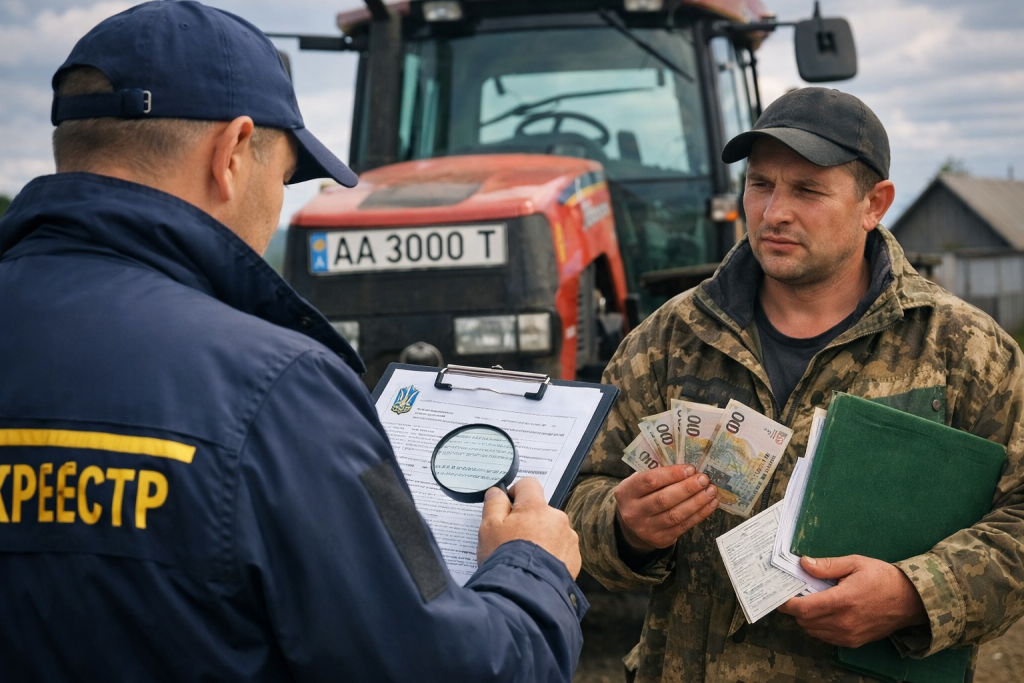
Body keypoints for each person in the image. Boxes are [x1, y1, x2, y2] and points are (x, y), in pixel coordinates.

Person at [0, 2, 587, 680]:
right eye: (281, 178)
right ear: (230, 155)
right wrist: (531, 568)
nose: (278, 206)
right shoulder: (275, 390)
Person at [566, 86, 1024, 682]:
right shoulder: (666, 340)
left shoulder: (966, 351)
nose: (774, 212)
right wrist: (624, 529)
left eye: (807, 189)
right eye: (761, 184)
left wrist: (915, 594)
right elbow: (580, 495)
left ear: (874, 204)